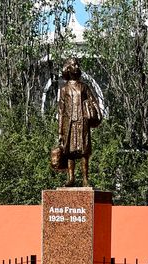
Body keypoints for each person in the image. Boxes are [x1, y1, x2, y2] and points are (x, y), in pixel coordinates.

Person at [58, 57, 101, 187]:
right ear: (68, 68)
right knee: (69, 152)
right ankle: (71, 178)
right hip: (69, 124)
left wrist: (95, 113)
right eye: (73, 64)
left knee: (84, 152)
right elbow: (61, 111)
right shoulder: (64, 89)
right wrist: (60, 131)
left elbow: (93, 101)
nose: (76, 66)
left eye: (77, 64)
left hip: (82, 122)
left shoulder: (84, 87)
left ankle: (85, 179)